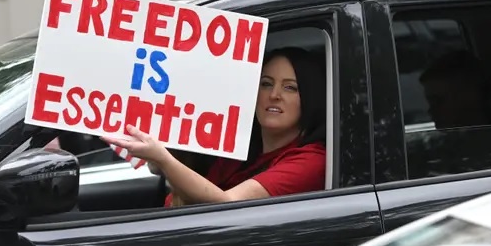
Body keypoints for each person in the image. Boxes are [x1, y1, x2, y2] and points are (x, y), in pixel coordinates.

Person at [102, 46, 327, 207]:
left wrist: (162, 158)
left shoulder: (311, 160)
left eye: (290, 88)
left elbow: (226, 203)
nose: (274, 95)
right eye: (266, 84)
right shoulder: (240, 147)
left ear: (310, 98)